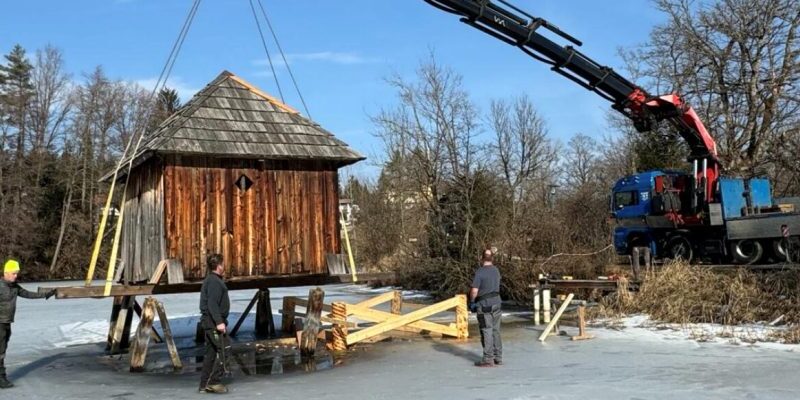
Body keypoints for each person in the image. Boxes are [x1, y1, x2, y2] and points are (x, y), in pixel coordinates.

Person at [0, 259, 55, 389]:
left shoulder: (14, 287)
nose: (16, 275)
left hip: (7, 322)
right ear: (6, 273)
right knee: (0, 351)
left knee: (3, 349)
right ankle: (1, 378)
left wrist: (45, 294)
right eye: (13, 273)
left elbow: (27, 294)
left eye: (16, 273)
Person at [198, 254, 231, 394]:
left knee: (211, 354)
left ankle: (203, 384)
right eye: (223, 264)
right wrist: (219, 322)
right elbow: (212, 303)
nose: (224, 266)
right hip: (213, 323)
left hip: (210, 322)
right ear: (219, 266)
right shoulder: (214, 282)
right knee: (225, 349)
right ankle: (214, 381)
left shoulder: (212, 280)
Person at [469, 249, 502, 367]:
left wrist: (472, 301)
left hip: (484, 305)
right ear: (492, 258)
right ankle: (498, 357)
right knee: (496, 330)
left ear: (482, 258)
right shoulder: (496, 271)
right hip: (497, 303)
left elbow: (474, 291)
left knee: (486, 330)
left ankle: (488, 358)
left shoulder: (480, 272)